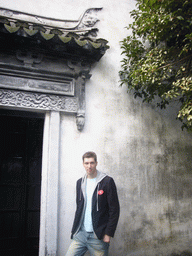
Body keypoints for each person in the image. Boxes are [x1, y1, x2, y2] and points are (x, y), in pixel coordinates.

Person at [66, 151, 120, 256]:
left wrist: (108, 233)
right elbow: (79, 208)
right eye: (86, 163)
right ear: (83, 164)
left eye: (92, 163)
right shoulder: (80, 183)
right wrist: (74, 231)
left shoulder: (107, 182)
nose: (89, 166)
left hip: (98, 236)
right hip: (80, 234)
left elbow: (114, 210)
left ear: (96, 163)